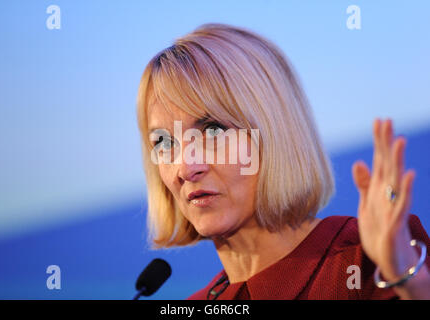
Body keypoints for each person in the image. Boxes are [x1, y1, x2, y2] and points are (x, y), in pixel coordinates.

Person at [136, 23, 430, 299]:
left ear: (274, 132)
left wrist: (409, 282)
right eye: (164, 142)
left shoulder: (371, 263)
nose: (186, 168)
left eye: (214, 131)